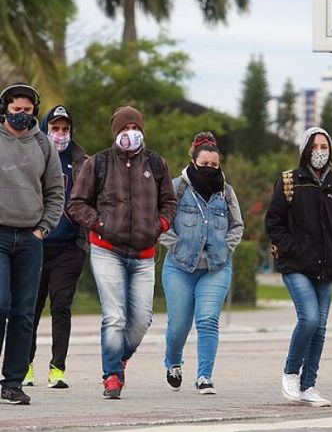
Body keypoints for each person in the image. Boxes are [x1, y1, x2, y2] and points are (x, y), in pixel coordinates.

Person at [67, 106, 177, 399]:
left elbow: (170, 201)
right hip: (107, 250)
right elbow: (76, 204)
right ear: (116, 132)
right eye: (126, 127)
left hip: (143, 253)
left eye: (136, 127)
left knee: (141, 320)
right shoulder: (98, 163)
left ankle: (120, 356)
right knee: (114, 316)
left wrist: (160, 224)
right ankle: (112, 375)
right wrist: (100, 223)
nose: (132, 133)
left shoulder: (156, 164)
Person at [265, 127, 332, 407]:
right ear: (305, 150)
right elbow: (274, 221)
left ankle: (309, 384)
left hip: (327, 266)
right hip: (296, 264)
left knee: (322, 327)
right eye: (314, 146)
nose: (320, 152)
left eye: (324, 147)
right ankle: (291, 371)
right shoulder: (289, 181)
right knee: (310, 319)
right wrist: (291, 247)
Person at [160, 132, 244, 394]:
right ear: (194, 161)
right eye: (204, 164)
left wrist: (225, 249)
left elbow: (237, 226)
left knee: (208, 319)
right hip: (180, 267)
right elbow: (160, 221)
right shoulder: (177, 187)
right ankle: (173, 361)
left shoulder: (226, 193)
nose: (209, 169)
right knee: (179, 325)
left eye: (214, 165)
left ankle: (204, 376)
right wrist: (174, 245)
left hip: (216, 268)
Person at [0, 83, 64, 405]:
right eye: (16, 110)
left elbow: (56, 190)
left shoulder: (44, 144)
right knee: (0, 304)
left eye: (27, 110)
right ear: (5, 110)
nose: (21, 115)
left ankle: (12, 382)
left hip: (30, 237)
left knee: (25, 313)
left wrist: (43, 228)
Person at [25, 105, 88, 389]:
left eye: (65, 129)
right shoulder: (30, 155)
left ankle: (57, 368)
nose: (60, 134)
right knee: (30, 308)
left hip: (68, 248)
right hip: (34, 246)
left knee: (61, 307)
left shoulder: (81, 162)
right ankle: (23, 366)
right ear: (45, 129)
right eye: (55, 129)